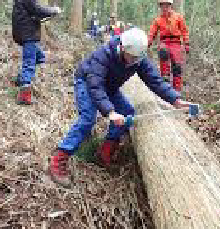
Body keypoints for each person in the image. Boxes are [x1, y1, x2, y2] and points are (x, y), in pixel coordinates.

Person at [49, 28, 191, 187]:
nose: (135, 61)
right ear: (123, 48)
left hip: (109, 87)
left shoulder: (139, 58)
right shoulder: (103, 55)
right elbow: (95, 86)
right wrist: (110, 112)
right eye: (132, 57)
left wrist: (175, 100)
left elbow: (155, 81)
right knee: (88, 119)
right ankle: (59, 158)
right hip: (87, 82)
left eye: (138, 58)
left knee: (127, 112)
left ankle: (105, 152)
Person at [11, 0, 61, 105]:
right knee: (29, 64)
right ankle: (24, 96)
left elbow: (34, 13)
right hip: (28, 36)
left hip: (27, 34)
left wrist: (47, 14)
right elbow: (38, 10)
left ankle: (21, 79)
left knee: (40, 57)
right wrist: (53, 10)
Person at [148, 0, 189, 92]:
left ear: (171, 6)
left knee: (177, 68)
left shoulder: (178, 17)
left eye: (167, 6)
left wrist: (186, 44)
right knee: (164, 61)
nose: (165, 8)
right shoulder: (158, 20)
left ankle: (177, 91)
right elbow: (151, 33)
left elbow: (184, 31)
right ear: (160, 7)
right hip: (164, 42)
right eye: (163, 6)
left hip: (176, 43)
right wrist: (147, 43)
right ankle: (166, 90)